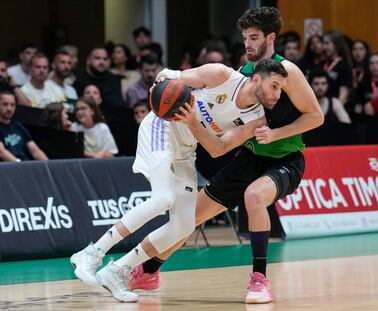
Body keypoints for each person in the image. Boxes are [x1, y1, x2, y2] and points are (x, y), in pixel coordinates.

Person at [128, 6, 323, 305]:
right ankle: (150, 270)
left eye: (254, 37)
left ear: (271, 37)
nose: (247, 44)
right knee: (188, 218)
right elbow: (223, 136)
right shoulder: (244, 75)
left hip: (286, 158)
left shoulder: (288, 72)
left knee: (255, 197)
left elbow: (315, 117)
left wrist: (276, 134)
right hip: (249, 156)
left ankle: (260, 280)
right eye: (245, 37)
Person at [70, 59, 289, 303]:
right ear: (257, 79)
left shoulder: (257, 119)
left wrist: (194, 121)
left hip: (186, 149)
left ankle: (117, 270)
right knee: (163, 198)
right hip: (162, 127)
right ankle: (92, 253)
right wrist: (159, 88)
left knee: (184, 226)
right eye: (275, 86)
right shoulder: (220, 75)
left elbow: (218, 149)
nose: (278, 95)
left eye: (280, 89)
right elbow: (168, 75)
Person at [0, 91, 48, 161]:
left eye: (12, 105)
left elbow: (36, 152)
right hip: (9, 168)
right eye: (5, 104)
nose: (9, 109)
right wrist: (20, 165)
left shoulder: (18, 126)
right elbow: (1, 152)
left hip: (25, 165)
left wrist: (49, 166)